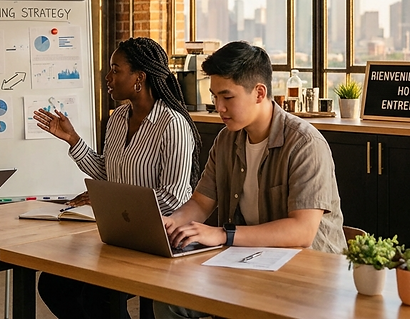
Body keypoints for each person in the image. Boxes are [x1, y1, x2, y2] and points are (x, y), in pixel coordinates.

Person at [154, 41, 345, 319]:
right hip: (249, 262)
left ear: (259, 93)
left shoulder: (304, 143)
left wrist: (223, 234)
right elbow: (201, 202)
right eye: (214, 96)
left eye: (227, 97)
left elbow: (302, 232)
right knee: (168, 298)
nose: (218, 107)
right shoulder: (227, 139)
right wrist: (170, 223)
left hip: (307, 274)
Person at [32, 36, 202, 319]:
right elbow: (107, 172)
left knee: (98, 295)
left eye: (115, 69)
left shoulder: (172, 124)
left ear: (139, 77)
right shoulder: (119, 117)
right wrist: (73, 140)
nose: (107, 77)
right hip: (119, 235)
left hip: (160, 238)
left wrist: (112, 203)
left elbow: (174, 196)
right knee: (53, 284)